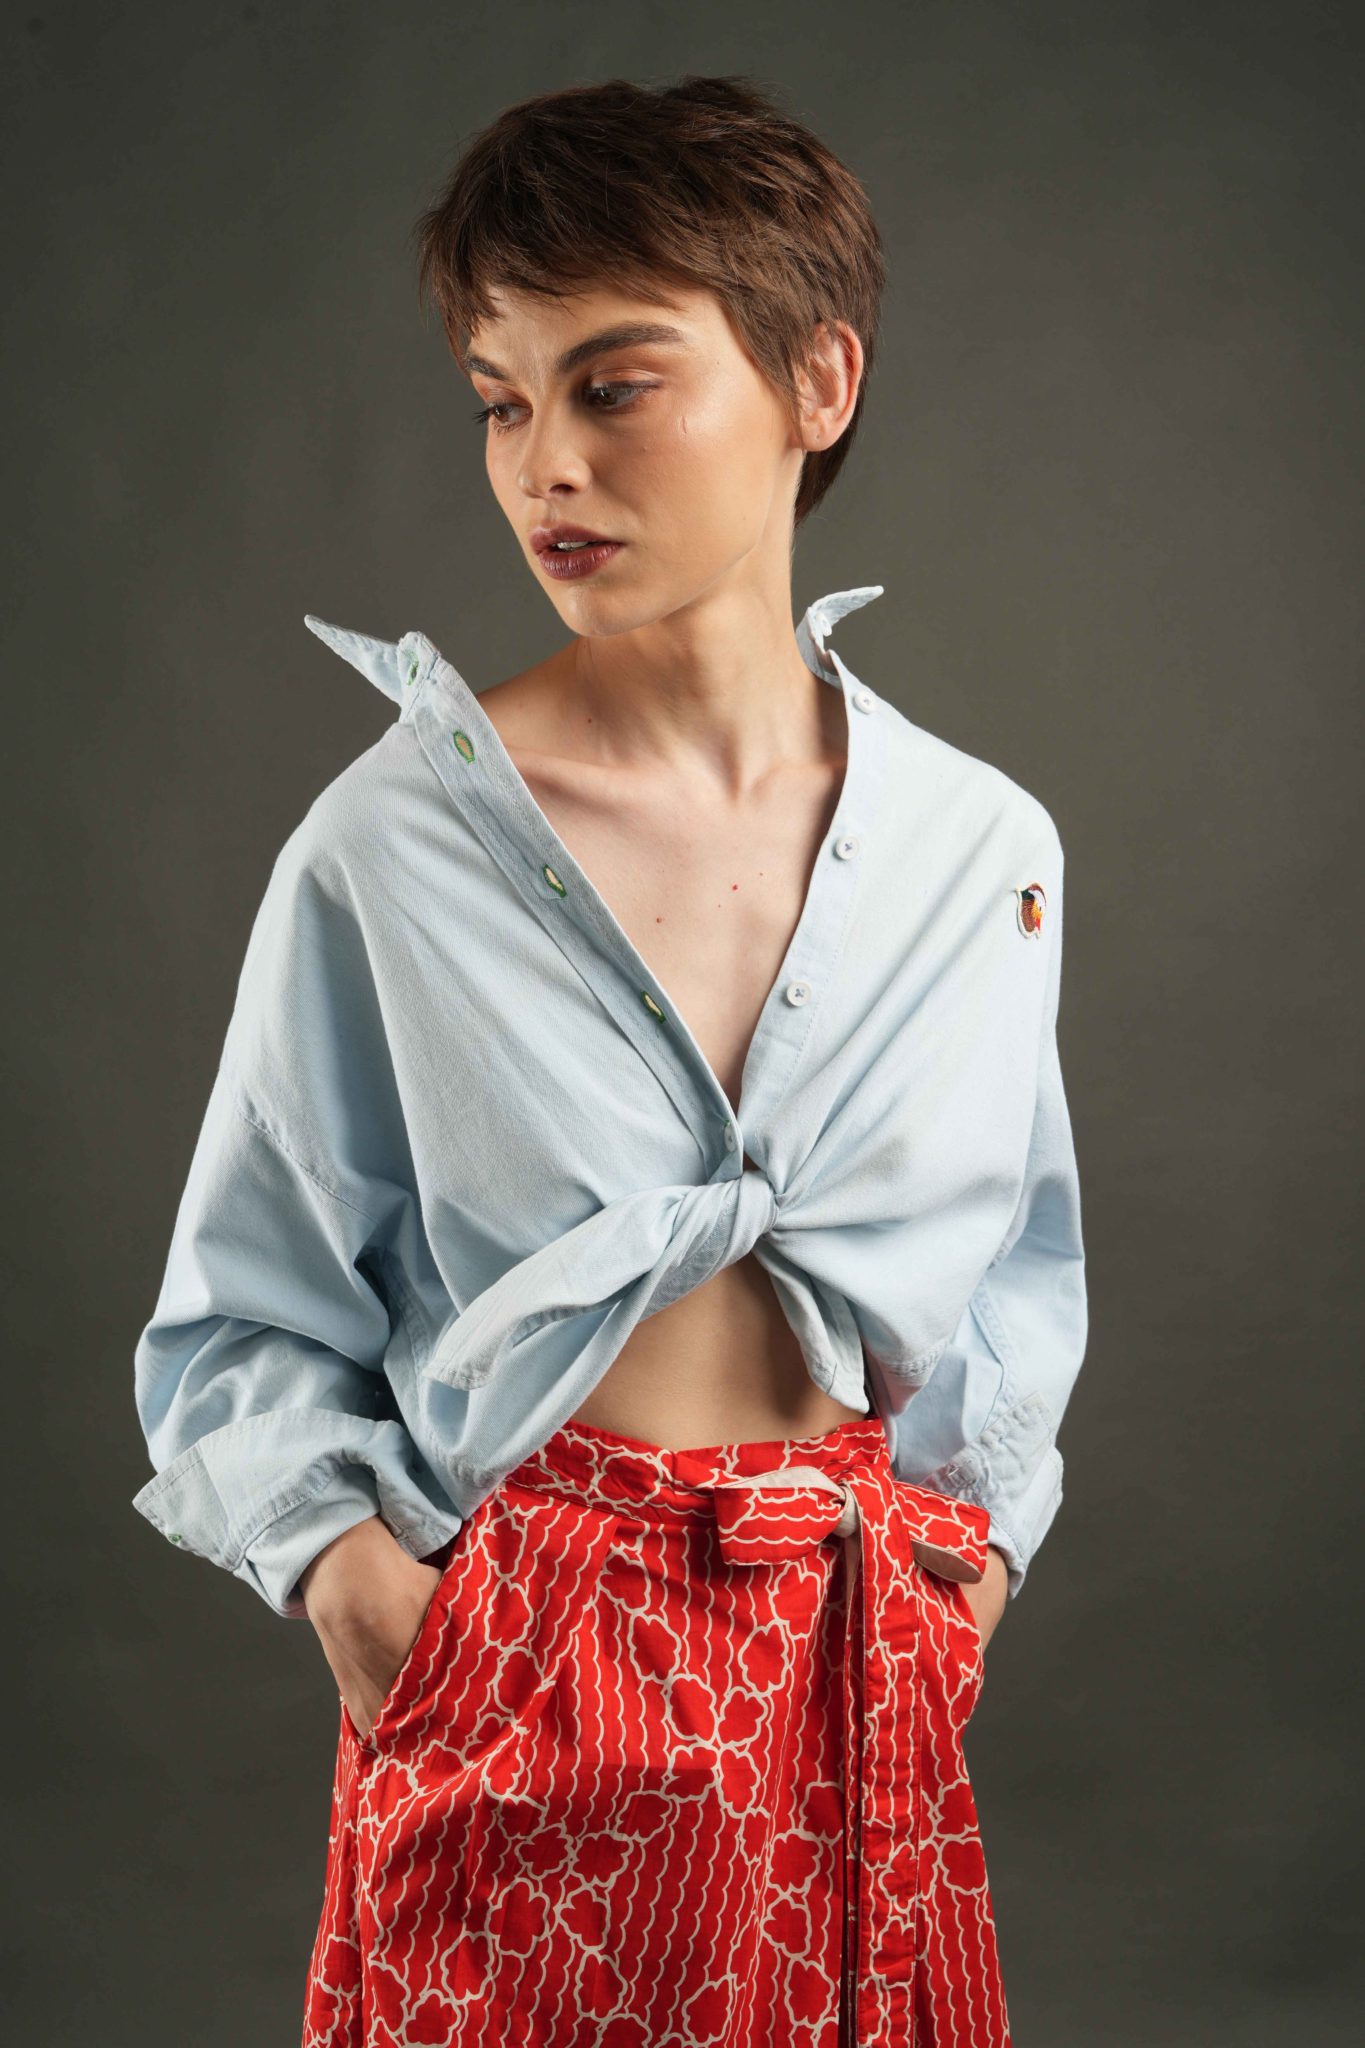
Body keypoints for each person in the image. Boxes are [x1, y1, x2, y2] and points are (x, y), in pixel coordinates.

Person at [130, 73, 1086, 2047]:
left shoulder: (977, 849)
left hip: (854, 1652)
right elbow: (242, 1309)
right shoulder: (390, 846)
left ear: (816, 382)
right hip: (521, 1647)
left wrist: (967, 1563)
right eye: (501, 400)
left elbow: (1009, 1263)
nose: (543, 462)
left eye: (614, 384)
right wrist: (363, 1592)